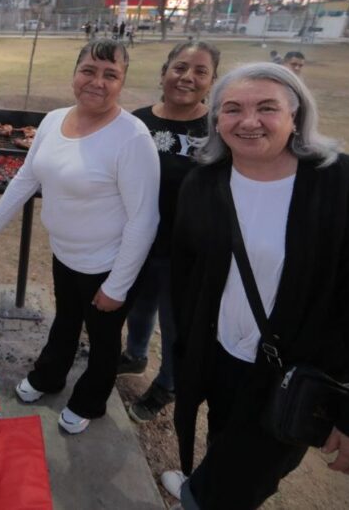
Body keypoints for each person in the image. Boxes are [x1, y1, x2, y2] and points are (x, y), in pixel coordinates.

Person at [163, 63, 349, 509]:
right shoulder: (203, 182)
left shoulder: (346, 185)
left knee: (235, 486)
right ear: (217, 121)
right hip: (218, 359)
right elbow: (187, 279)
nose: (248, 121)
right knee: (222, 440)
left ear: (296, 116)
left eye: (267, 108)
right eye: (232, 109)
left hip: (287, 373)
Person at [0, 39, 161, 435]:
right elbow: (27, 177)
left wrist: (117, 287)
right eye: (89, 70)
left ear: (122, 81)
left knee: (105, 341)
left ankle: (90, 400)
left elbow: (144, 219)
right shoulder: (54, 120)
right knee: (66, 322)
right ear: (75, 73)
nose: (97, 81)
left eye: (110, 74)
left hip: (107, 265)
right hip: (64, 254)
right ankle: (48, 377)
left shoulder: (133, 138)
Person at [120, 41, 220, 424]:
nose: (187, 77)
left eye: (200, 71)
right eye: (180, 67)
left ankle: (168, 385)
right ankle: (134, 355)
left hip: (193, 249)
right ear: (164, 72)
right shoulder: (137, 121)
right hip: (142, 240)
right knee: (141, 303)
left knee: (177, 322)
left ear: (212, 82)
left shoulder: (219, 128)